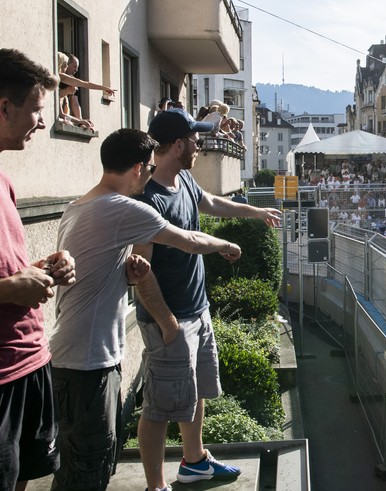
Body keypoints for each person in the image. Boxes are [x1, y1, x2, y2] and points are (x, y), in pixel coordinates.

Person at [49, 128, 242, 490]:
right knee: (88, 469)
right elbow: (189, 240)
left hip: (71, 354)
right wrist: (227, 244)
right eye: (149, 169)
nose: (151, 176)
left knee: (79, 463)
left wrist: (131, 274)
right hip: (88, 360)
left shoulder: (78, 206)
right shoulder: (122, 208)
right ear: (138, 168)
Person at [132, 109, 281, 491]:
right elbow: (140, 273)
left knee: (195, 391)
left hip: (197, 312)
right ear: (179, 145)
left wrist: (256, 212)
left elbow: (214, 203)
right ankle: (155, 486)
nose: (201, 145)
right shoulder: (148, 201)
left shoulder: (183, 180)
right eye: (196, 140)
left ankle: (195, 461)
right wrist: (166, 322)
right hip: (172, 321)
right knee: (158, 408)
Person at [0, 48, 76, 491]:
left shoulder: (5, 182)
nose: (43, 122)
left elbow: (11, 269)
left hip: (30, 363)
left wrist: (43, 266)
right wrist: (11, 288)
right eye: (37, 109)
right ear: (5, 106)